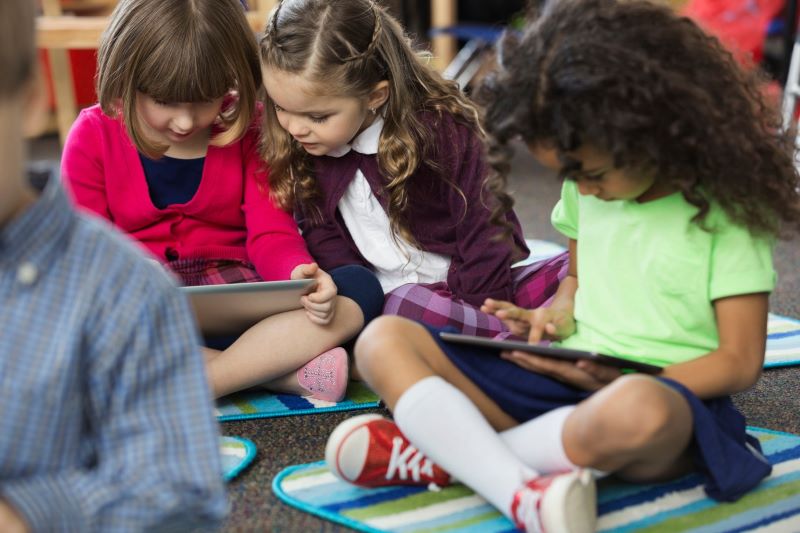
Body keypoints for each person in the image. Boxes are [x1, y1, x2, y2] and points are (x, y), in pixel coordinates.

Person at [323, 0, 800, 531]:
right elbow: (575, 278)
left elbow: (738, 362)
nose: (584, 187)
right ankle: (517, 486)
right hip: (563, 376)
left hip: (663, 397)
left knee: (639, 407)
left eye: (592, 172)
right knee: (383, 339)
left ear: (656, 131)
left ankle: (457, 460)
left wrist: (619, 379)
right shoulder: (584, 186)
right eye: (570, 174)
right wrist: (555, 315)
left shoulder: (730, 214)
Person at [61, 0, 383, 402]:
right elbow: (85, 251)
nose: (184, 121)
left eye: (203, 100)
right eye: (164, 102)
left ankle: (201, 379)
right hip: (141, 308)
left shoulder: (249, 129)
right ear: (124, 77)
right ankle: (276, 373)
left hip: (237, 302)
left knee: (358, 288)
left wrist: (298, 273)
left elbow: (271, 233)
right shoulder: (93, 135)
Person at [0, 0, 227, 530]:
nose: (186, 121)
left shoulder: (125, 293)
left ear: (31, 99)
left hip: (200, 292)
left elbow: (179, 502)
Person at [258, 0, 568, 338]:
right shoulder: (306, 144)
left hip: (476, 293)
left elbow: (484, 230)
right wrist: (357, 299)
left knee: (576, 270)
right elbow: (323, 238)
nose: (295, 128)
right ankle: (518, 340)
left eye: (318, 117)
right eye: (280, 108)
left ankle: (498, 338)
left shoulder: (441, 130)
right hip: (392, 306)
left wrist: (485, 309)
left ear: (375, 96)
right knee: (404, 307)